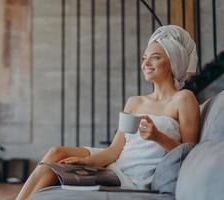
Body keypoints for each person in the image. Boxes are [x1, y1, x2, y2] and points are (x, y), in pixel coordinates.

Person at [16, 25, 200, 200]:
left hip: (133, 177)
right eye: (144, 58)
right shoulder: (134, 102)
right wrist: (88, 161)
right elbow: (114, 150)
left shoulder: (184, 99)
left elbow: (188, 153)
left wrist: (157, 136)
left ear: (173, 62)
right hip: (116, 164)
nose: (146, 63)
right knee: (57, 152)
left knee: (59, 160)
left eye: (155, 57)